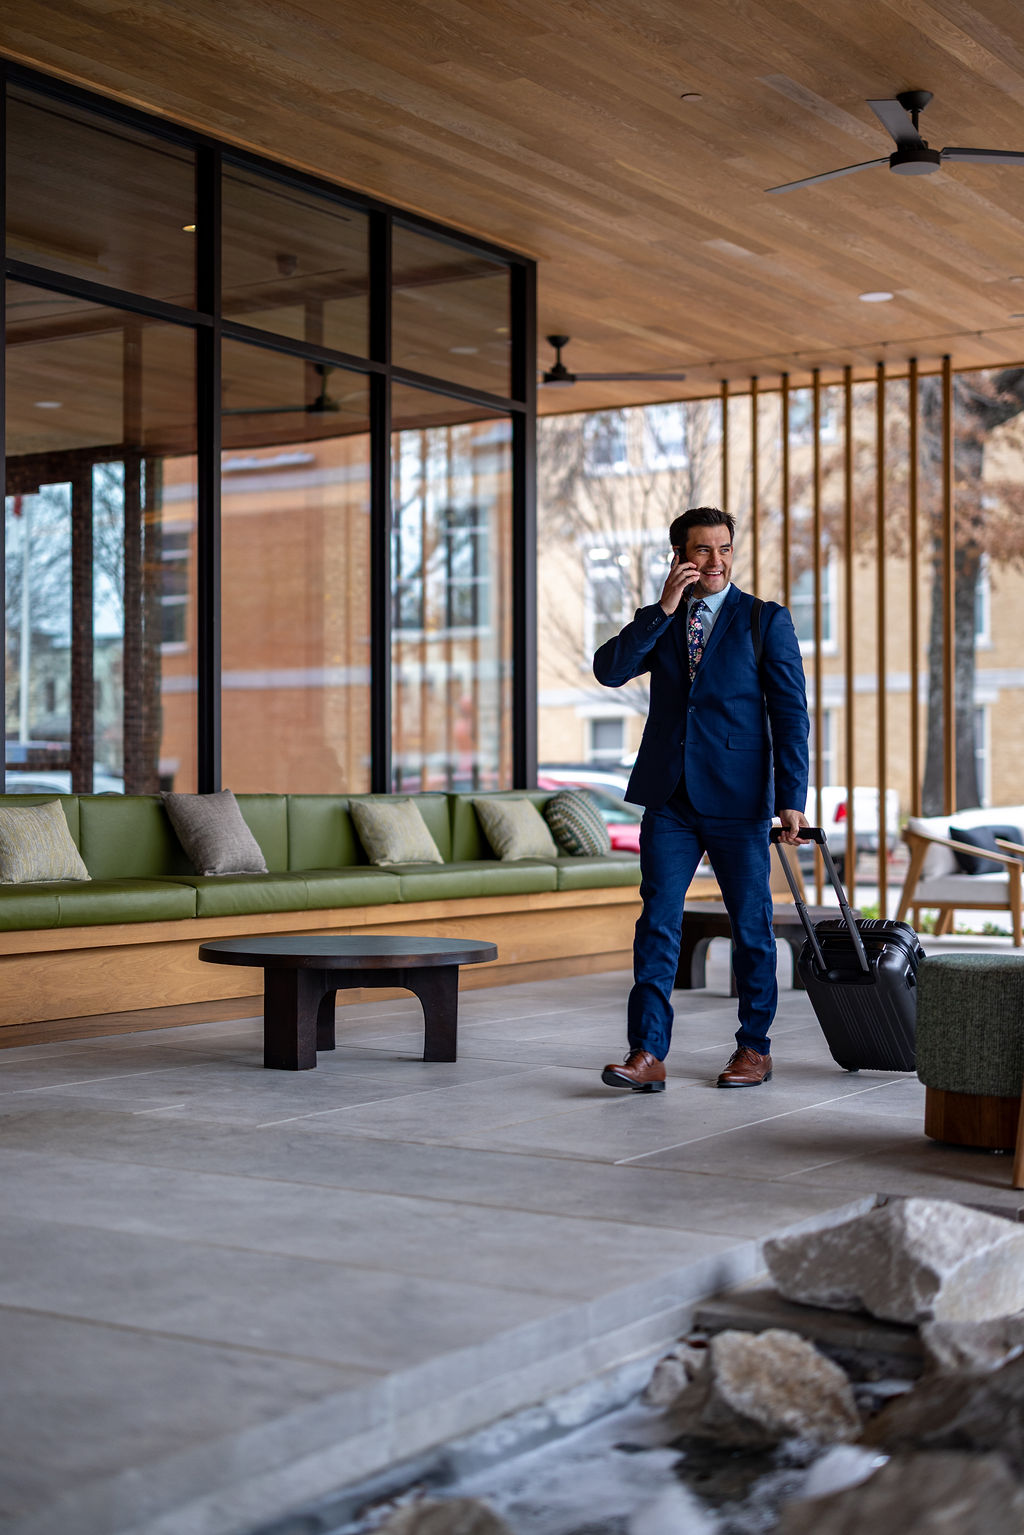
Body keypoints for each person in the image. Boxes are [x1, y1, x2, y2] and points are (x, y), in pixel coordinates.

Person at [593, 506, 809, 1091]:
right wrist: (661, 609)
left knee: (751, 925)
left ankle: (753, 1049)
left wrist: (791, 795)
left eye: (725, 550)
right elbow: (609, 671)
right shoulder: (661, 620)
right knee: (658, 922)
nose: (715, 562)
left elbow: (791, 713)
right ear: (680, 557)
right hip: (670, 797)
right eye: (703, 551)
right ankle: (646, 1053)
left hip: (739, 798)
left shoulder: (765, 620)